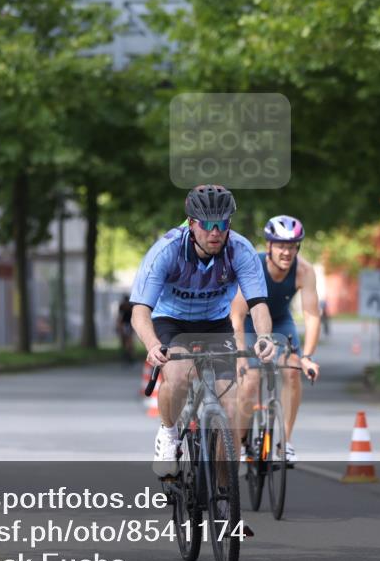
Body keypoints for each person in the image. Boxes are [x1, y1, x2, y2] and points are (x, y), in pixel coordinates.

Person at [130, 185, 275, 478]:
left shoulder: (240, 251)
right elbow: (140, 311)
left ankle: (225, 503)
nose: (215, 232)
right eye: (207, 224)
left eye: (222, 224)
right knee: (180, 374)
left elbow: (258, 304)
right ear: (191, 222)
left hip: (215, 323)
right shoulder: (166, 251)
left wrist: (264, 337)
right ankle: (169, 436)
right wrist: (152, 344)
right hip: (171, 321)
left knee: (231, 410)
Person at [231, 215, 321, 465]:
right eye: (281, 246)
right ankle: (238, 445)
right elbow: (237, 315)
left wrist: (307, 357)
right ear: (269, 246)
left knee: (292, 371)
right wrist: (240, 356)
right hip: (249, 323)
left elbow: (312, 316)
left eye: (292, 247)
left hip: (281, 322)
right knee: (251, 380)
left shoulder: (304, 271)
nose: (286, 252)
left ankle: (285, 444)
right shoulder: (253, 266)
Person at [116, 294, 134, 364]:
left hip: (124, 324)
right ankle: (128, 354)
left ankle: (126, 354)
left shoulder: (122, 306)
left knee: (125, 340)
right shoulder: (130, 306)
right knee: (129, 340)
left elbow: (120, 317)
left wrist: (118, 325)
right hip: (128, 324)